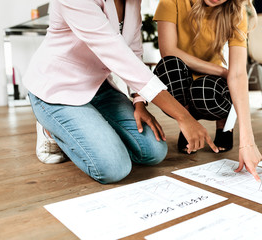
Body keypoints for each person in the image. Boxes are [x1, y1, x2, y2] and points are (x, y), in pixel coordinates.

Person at [22, 0, 218, 184]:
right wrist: (183, 115)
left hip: (99, 86)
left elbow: (133, 50)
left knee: (153, 151)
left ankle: (90, 123)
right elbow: (116, 53)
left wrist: (139, 102)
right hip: (57, 89)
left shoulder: (133, 2)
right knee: (113, 168)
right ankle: (49, 128)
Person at [153, 0, 262, 181]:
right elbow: (168, 51)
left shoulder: (236, 10)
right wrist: (223, 71)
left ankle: (223, 123)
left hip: (210, 86)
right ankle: (189, 121)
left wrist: (248, 141)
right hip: (182, 75)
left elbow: (238, 74)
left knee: (205, 91)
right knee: (168, 66)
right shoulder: (170, 1)